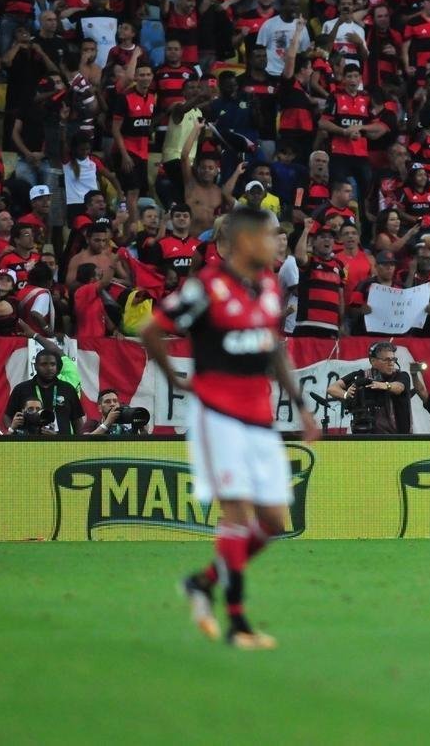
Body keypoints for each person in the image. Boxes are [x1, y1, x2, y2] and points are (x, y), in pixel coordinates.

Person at [140, 205, 319, 650]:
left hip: (260, 417)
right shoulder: (206, 288)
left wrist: (301, 406)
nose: (278, 242)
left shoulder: (268, 287)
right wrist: (177, 378)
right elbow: (150, 329)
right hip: (217, 414)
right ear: (244, 242)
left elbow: (273, 348)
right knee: (237, 514)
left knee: (275, 520)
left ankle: (203, 581)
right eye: (271, 236)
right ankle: (238, 622)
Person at [328, 341, 416, 435]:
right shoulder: (362, 376)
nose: (391, 363)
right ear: (373, 361)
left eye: (393, 359)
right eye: (386, 360)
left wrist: (385, 385)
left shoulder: (402, 375)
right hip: (367, 435)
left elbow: (399, 387)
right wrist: (346, 394)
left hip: (399, 438)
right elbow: (332, 388)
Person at [3, 351, 85, 436]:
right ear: (35, 366)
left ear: (57, 367)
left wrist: (79, 443)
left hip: (61, 445)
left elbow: (78, 421)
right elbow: (7, 416)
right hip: (29, 444)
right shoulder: (21, 389)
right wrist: (14, 431)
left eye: (52, 364)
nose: (49, 368)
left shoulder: (68, 389)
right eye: (44, 364)